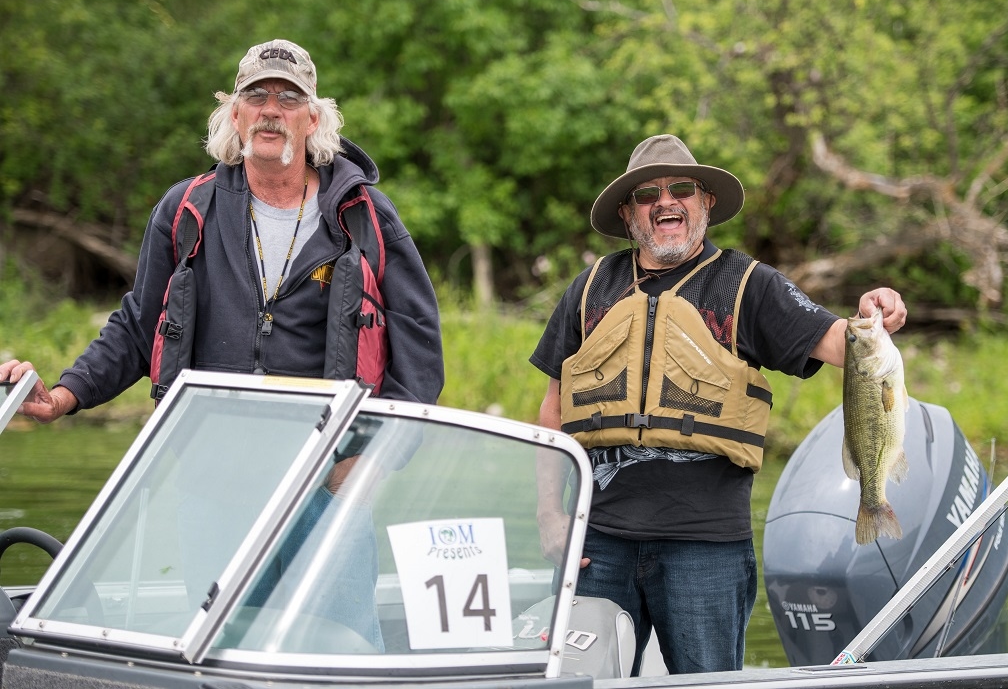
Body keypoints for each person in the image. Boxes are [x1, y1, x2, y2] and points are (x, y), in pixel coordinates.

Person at [0, 39, 445, 650]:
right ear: (233, 116)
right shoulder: (186, 209)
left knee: (342, 653)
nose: (270, 110)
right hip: (211, 483)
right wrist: (66, 395)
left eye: (288, 99)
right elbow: (138, 325)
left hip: (326, 483)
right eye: (255, 96)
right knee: (219, 654)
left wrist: (374, 460)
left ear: (314, 119)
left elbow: (419, 346)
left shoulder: (364, 214)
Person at [530, 134, 907, 675]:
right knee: (577, 686)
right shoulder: (590, 288)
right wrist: (550, 516)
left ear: (705, 202)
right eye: (646, 194)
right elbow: (553, 407)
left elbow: (841, 341)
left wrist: (877, 308)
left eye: (681, 188)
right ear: (627, 212)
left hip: (704, 550)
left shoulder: (747, 285)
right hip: (599, 543)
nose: (665, 201)